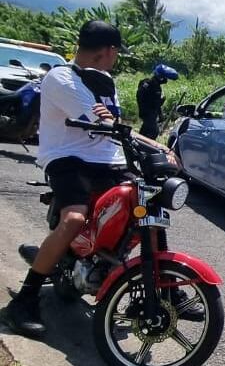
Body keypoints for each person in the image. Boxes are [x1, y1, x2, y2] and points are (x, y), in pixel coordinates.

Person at [2, 21, 182, 339]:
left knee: (152, 209)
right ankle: (24, 302)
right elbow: (104, 122)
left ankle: (167, 290)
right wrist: (154, 144)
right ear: (108, 51)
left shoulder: (105, 80)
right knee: (74, 218)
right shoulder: (61, 78)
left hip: (108, 160)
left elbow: (116, 124)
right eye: (116, 52)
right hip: (68, 159)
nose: (116, 58)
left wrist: (157, 147)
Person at [135, 63, 178, 140]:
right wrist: (160, 103)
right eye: (164, 78)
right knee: (154, 131)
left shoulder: (151, 84)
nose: (166, 80)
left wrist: (160, 113)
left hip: (149, 112)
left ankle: (136, 143)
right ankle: (143, 145)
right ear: (160, 77)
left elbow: (155, 103)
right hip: (148, 113)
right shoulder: (152, 86)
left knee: (145, 131)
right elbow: (154, 102)